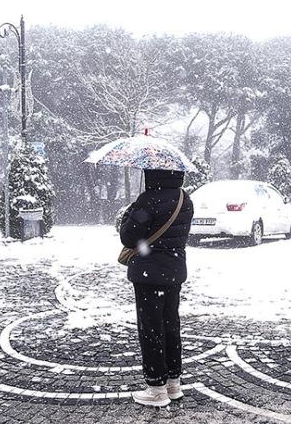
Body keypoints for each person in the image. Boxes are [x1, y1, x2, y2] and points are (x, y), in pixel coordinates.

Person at [119, 169, 194, 407]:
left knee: (151, 329)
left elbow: (128, 238)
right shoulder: (185, 199)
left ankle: (156, 388)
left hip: (148, 274)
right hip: (174, 272)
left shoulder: (148, 200)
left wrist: (130, 213)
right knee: (171, 325)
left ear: (152, 174)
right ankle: (174, 383)